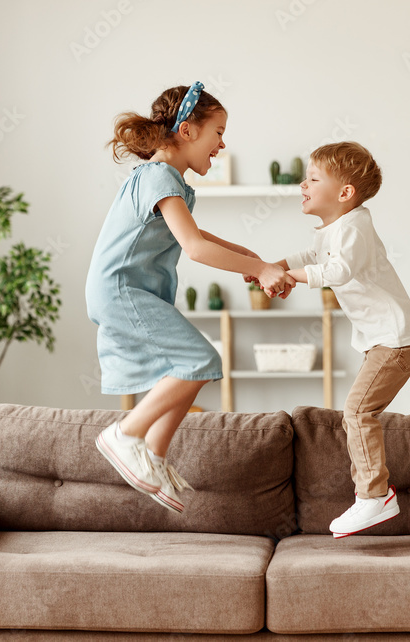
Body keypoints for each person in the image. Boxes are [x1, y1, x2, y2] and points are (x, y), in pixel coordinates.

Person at [87, 82, 294, 513]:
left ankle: (153, 456)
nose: (222, 143)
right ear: (187, 130)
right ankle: (124, 435)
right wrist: (257, 269)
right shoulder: (160, 175)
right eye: (218, 131)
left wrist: (248, 256)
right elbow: (195, 248)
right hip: (123, 291)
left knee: (194, 365)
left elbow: (194, 236)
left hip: (128, 291)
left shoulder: (167, 180)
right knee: (201, 360)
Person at [276, 141, 410, 538]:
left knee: (358, 412)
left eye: (312, 178)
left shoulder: (356, 225)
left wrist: (288, 277)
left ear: (345, 193)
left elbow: (338, 271)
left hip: (396, 339)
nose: (302, 185)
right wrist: (277, 266)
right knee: (360, 412)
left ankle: (374, 497)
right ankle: (372, 494)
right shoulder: (333, 228)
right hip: (384, 340)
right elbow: (313, 258)